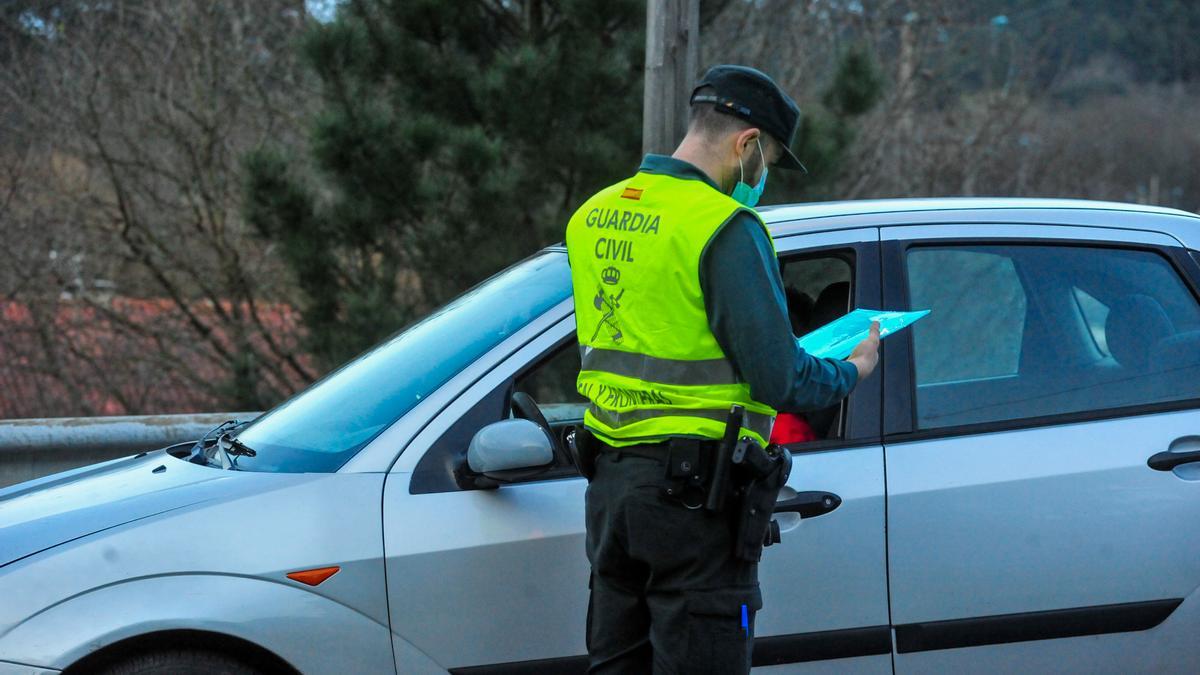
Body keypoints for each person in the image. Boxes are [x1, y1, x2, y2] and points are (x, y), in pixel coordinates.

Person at [564, 64, 881, 673]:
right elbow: (779, 378)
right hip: (692, 505)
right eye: (769, 159)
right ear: (747, 143)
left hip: (611, 491)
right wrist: (852, 370)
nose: (763, 177)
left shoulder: (594, 215)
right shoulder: (724, 226)